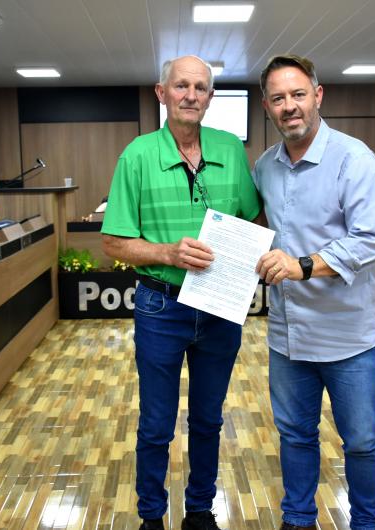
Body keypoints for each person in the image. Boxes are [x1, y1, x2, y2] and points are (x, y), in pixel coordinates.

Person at [100, 55, 261, 530]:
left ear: (210, 97)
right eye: (181, 86)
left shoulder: (231, 149)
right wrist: (168, 253)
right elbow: (113, 243)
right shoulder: (136, 156)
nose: (191, 95)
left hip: (219, 305)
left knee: (209, 420)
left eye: (200, 87)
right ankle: (151, 516)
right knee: (156, 423)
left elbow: (252, 218)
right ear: (161, 92)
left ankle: (199, 511)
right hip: (160, 306)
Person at [252, 55, 375, 530]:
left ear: (318, 96)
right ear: (267, 107)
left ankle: (367, 524)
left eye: (298, 94)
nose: (289, 106)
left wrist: (303, 265)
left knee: (362, 442)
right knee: (295, 436)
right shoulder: (264, 167)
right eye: (278, 98)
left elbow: (372, 239)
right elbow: (257, 229)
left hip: (349, 339)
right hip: (288, 338)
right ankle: (298, 519)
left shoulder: (354, 159)